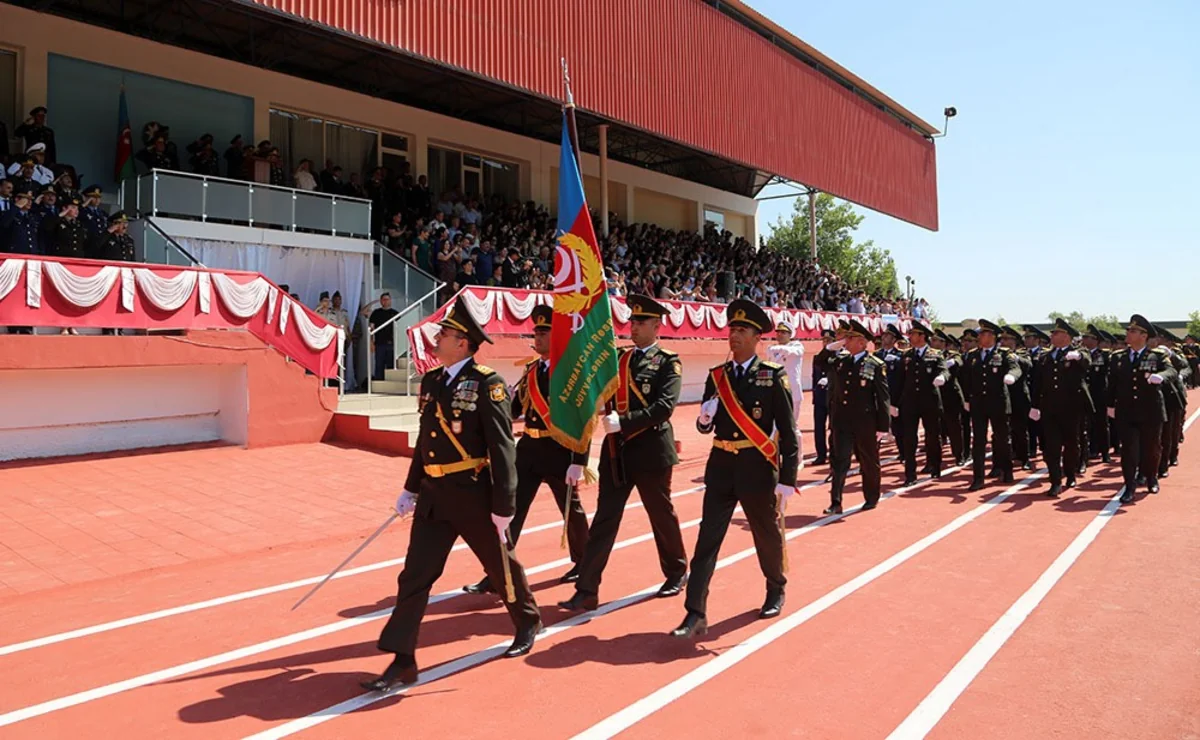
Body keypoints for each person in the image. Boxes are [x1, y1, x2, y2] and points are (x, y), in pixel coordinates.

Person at [362, 296, 542, 691]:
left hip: (473, 493)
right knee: (414, 576)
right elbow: (424, 442)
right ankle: (402, 659)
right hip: (434, 495)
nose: (437, 338)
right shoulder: (432, 381)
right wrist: (410, 488)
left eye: (444, 333)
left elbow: (501, 447)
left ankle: (527, 619)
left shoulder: (487, 384)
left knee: (500, 565)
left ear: (462, 342)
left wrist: (504, 505)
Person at [672, 299, 800, 638]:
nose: (734, 335)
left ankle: (776, 587)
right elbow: (705, 427)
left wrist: (788, 480)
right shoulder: (718, 377)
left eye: (742, 330)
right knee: (706, 541)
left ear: (758, 337)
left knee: (766, 534)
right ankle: (695, 612)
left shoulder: (772, 377)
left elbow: (788, 432)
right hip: (720, 468)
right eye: (732, 329)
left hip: (756, 468)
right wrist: (704, 419)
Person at [558, 294, 688, 611]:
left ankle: (677, 571)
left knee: (660, 514)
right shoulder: (617, 359)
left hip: (651, 451)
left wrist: (625, 421)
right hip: (617, 453)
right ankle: (587, 589)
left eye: (641, 322)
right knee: (604, 520)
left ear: (657, 326)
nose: (635, 326)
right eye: (632, 321)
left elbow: (664, 407)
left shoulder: (668, 362)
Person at [463, 305, 590, 594]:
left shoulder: (570, 372)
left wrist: (580, 460)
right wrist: (502, 403)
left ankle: (584, 563)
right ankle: (498, 570)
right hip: (530, 449)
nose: (538, 338)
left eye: (543, 333)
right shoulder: (531, 370)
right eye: (536, 333)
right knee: (510, 508)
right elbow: (517, 409)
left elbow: (585, 417)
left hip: (560, 450)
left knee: (572, 511)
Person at [1107, 314, 1177, 504]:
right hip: (1126, 411)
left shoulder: (1157, 355)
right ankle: (1129, 486)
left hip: (1151, 411)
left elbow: (1172, 371)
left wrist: (1161, 376)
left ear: (1144, 335)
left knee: (1151, 449)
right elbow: (1111, 384)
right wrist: (1110, 405)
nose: (1128, 334)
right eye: (1128, 330)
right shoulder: (1118, 358)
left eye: (1133, 331)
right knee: (1129, 450)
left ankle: (1151, 477)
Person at [823, 318, 890, 514]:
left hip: (865, 421)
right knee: (839, 461)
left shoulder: (875, 364)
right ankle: (836, 502)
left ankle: (871, 497)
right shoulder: (841, 361)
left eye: (850, 338)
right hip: (842, 420)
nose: (846, 341)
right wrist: (832, 347)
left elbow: (882, 397)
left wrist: (882, 426)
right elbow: (821, 362)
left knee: (868, 461)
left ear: (861, 342)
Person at [1029, 319, 1092, 497]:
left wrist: (1078, 357)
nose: (1052, 336)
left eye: (1056, 333)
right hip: (1050, 408)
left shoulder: (1079, 352)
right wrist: (1035, 406)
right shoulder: (1045, 357)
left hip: (1072, 408)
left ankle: (1070, 474)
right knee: (1051, 447)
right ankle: (1055, 481)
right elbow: (1038, 383)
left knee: (1072, 445)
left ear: (1067, 336)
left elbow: (1088, 361)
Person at [961, 319, 1021, 490]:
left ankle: (1007, 470)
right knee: (978, 441)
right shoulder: (972, 355)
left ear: (992, 336)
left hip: (998, 402)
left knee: (1002, 438)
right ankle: (978, 477)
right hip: (978, 403)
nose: (980, 336)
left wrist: (1011, 376)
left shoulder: (1004, 354)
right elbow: (966, 378)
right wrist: (966, 399)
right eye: (980, 334)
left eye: (983, 333)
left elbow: (1015, 368)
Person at [898, 322, 950, 484]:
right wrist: (894, 402)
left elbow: (944, 370)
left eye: (913, 334)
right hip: (910, 402)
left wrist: (942, 378)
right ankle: (910, 474)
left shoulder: (935, 354)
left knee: (932, 437)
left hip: (930, 402)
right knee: (909, 438)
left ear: (922, 336)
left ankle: (934, 466)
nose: (910, 336)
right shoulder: (906, 355)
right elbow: (899, 380)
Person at [766, 318, 805, 445]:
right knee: (774, 427)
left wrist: (776, 349)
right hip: (777, 391)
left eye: (783, 333)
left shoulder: (797, 346)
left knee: (792, 426)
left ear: (790, 335)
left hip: (792, 392)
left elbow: (791, 351)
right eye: (778, 332)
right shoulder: (772, 349)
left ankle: (797, 460)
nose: (780, 335)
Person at [810, 328, 838, 465]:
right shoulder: (818, 357)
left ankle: (834, 453)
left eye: (829, 340)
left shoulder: (838, 357)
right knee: (819, 427)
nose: (826, 342)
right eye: (824, 340)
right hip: (820, 397)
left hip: (833, 397)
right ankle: (821, 454)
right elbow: (814, 378)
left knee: (834, 427)